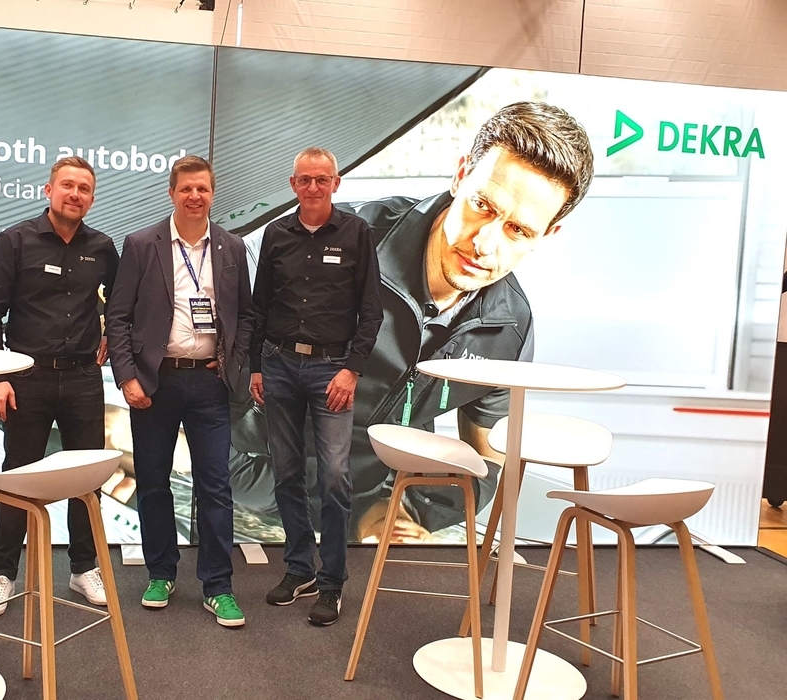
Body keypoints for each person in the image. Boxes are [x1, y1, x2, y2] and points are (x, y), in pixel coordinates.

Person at [231, 101, 596, 557]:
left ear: (548, 235)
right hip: (239, 492)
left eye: (518, 230)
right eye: (482, 205)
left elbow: (487, 460)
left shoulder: (509, 327)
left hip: (361, 517)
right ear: (461, 175)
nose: (484, 244)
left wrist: (403, 511)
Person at [105, 155, 254, 627]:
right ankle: (161, 573)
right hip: (155, 381)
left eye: (202, 189)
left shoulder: (231, 247)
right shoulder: (141, 244)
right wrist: (127, 376)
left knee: (215, 484)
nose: (194, 196)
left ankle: (218, 585)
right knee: (152, 481)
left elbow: (246, 316)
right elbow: (118, 317)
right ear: (171, 193)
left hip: (209, 383)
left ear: (213, 193)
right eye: (186, 188)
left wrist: (231, 362)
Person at [0, 155, 120, 615]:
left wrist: (110, 334)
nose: (75, 194)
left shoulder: (102, 247)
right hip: (26, 378)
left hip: (83, 378)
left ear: (92, 198)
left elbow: (120, 305)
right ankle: (3, 575)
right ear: (49, 190)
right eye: (67, 186)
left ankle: (83, 568)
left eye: (84, 189)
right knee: (17, 477)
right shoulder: (14, 241)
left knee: (86, 477)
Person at [250, 147, 384, 626]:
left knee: (333, 477)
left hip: (332, 371)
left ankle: (332, 582)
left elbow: (371, 311)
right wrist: (256, 367)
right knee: (286, 472)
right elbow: (259, 306)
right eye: (304, 179)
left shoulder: (357, 233)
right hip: (279, 365)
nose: (312, 187)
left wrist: (353, 370)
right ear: (293, 184)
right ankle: (299, 568)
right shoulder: (276, 234)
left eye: (321, 179)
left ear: (335, 183)